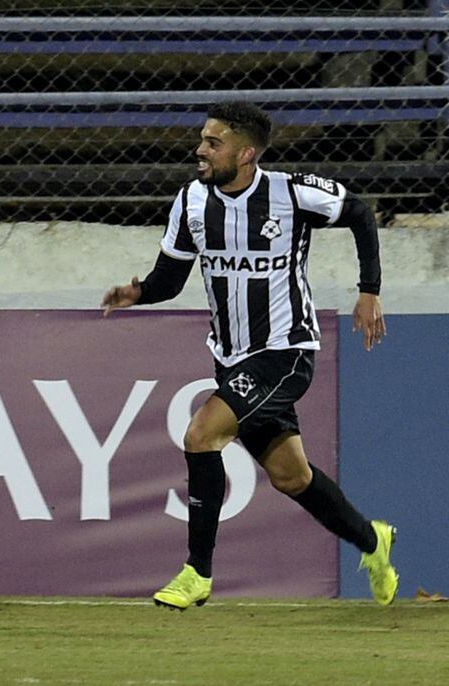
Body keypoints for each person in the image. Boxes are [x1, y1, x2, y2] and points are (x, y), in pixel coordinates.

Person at [100, 101, 398, 609]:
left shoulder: (290, 192)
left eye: (213, 142)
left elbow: (360, 212)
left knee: (201, 435)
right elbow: (171, 278)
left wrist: (369, 289)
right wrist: (139, 293)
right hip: (232, 356)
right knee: (291, 477)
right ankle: (373, 542)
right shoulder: (192, 201)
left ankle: (198, 572)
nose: (200, 149)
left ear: (245, 153)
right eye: (202, 139)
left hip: (286, 352)